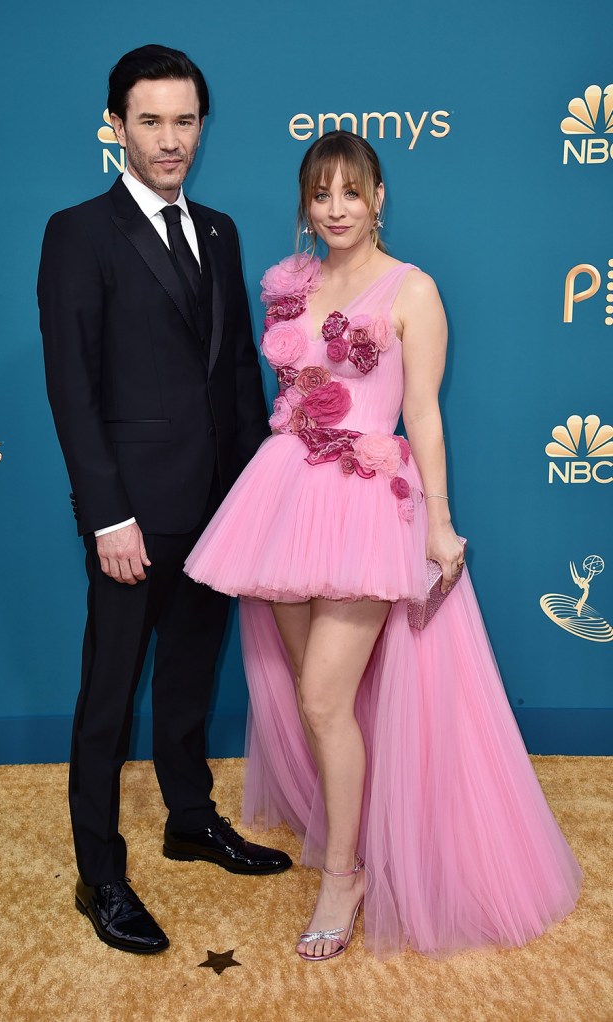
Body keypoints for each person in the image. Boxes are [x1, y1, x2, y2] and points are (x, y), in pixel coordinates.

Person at [185, 131, 582, 961]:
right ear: (306, 205)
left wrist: (438, 521)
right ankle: (347, 824)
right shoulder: (292, 285)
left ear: (379, 198)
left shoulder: (414, 290)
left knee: (327, 698)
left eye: (350, 193)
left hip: (367, 499)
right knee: (310, 691)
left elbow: (424, 413)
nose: (335, 209)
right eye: (321, 195)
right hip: (286, 496)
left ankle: (345, 872)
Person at [37, 43, 291, 956]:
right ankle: (99, 873)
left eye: (185, 120)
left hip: (217, 510)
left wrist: (260, 496)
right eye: (151, 120)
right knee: (110, 695)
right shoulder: (79, 232)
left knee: (189, 678)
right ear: (116, 128)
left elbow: (231, 382)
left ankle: (191, 819)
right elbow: (73, 385)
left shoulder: (218, 230)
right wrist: (107, 516)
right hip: (132, 520)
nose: (171, 138)